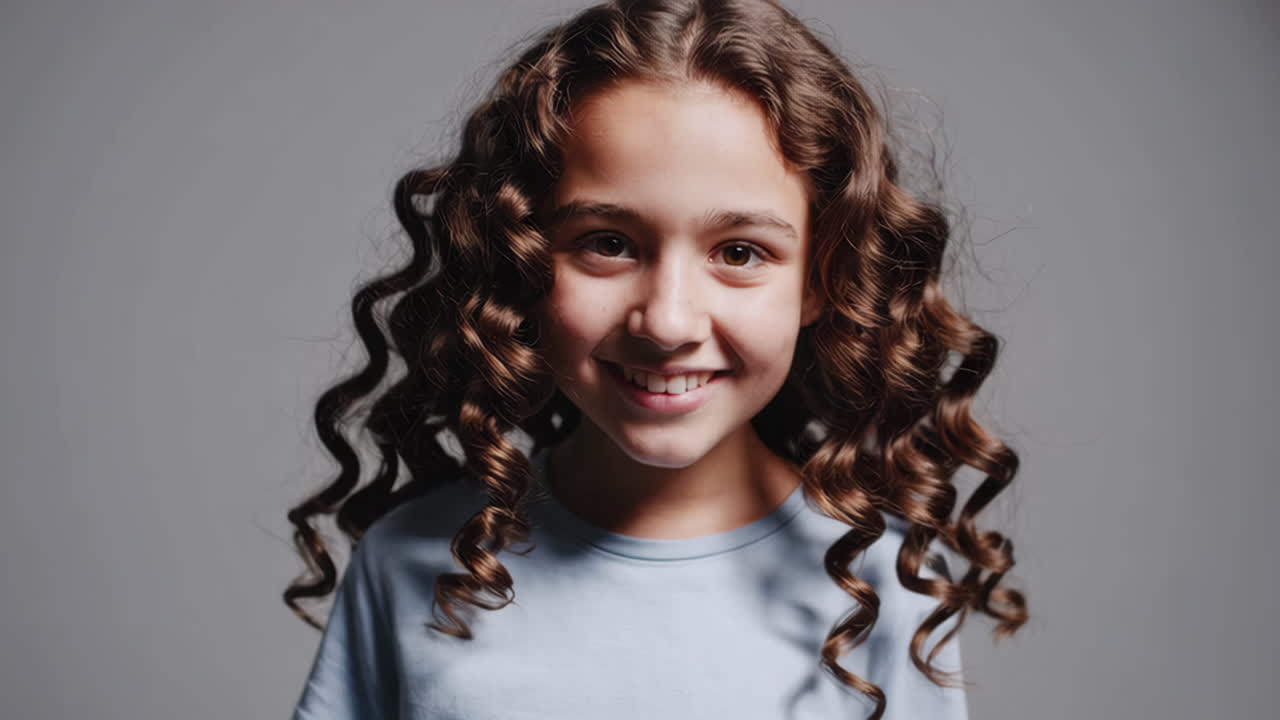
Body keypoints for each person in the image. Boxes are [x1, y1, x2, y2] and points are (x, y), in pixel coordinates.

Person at [284, 1, 1028, 718]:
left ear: (823, 280)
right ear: (523, 260)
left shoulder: (884, 589)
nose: (668, 321)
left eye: (740, 253)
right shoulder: (411, 563)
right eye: (608, 243)